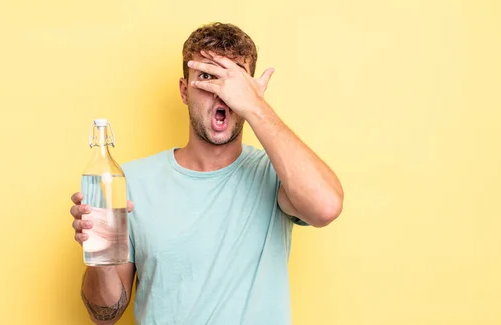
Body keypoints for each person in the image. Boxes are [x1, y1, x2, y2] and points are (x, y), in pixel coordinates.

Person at [69, 22, 344, 325]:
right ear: (185, 91)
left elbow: (326, 207)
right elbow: (104, 314)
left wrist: (256, 107)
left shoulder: (276, 174)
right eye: (207, 77)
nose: (221, 92)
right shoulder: (130, 183)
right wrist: (101, 255)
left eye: (234, 80)